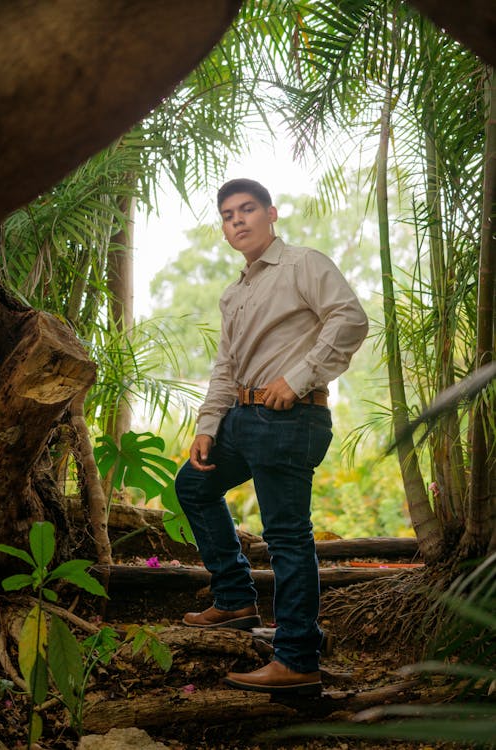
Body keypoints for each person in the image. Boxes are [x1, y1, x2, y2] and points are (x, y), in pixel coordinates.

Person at [176, 178, 368, 696]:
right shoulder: (234, 292)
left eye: (246, 210)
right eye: (227, 215)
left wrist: (300, 376)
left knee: (286, 534)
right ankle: (236, 597)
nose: (236, 220)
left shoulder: (304, 264)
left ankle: (298, 656)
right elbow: (225, 366)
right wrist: (207, 426)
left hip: (290, 418)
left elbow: (349, 318)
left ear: (271, 213)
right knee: (193, 487)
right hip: (240, 419)